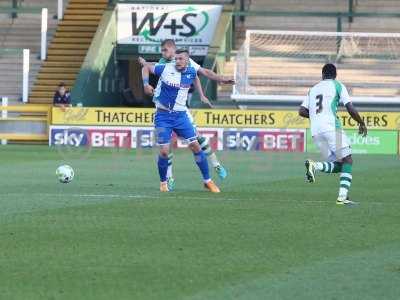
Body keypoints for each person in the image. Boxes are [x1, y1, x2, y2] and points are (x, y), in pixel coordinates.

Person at [139, 39, 234, 190]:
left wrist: (217, 82)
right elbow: (146, 67)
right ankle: (165, 181)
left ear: (187, 60)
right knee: (164, 151)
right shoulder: (165, 66)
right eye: (176, 58)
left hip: (181, 114)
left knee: (196, 143)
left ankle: (209, 177)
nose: (177, 61)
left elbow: (201, 74)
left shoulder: (190, 68)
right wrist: (145, 84)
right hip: (163, 115)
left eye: (180, 58)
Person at [299, 63, 367, 205]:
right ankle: (342, 197)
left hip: (316, 131)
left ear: (322, 75)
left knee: (340, 164)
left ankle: (315, 167)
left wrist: (317, 117)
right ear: (335, 75)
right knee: (348, 160)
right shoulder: (338, 85)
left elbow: (302, 111)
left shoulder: (313, 89)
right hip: (331, 128)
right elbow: (350, 108)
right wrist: (361, 122)